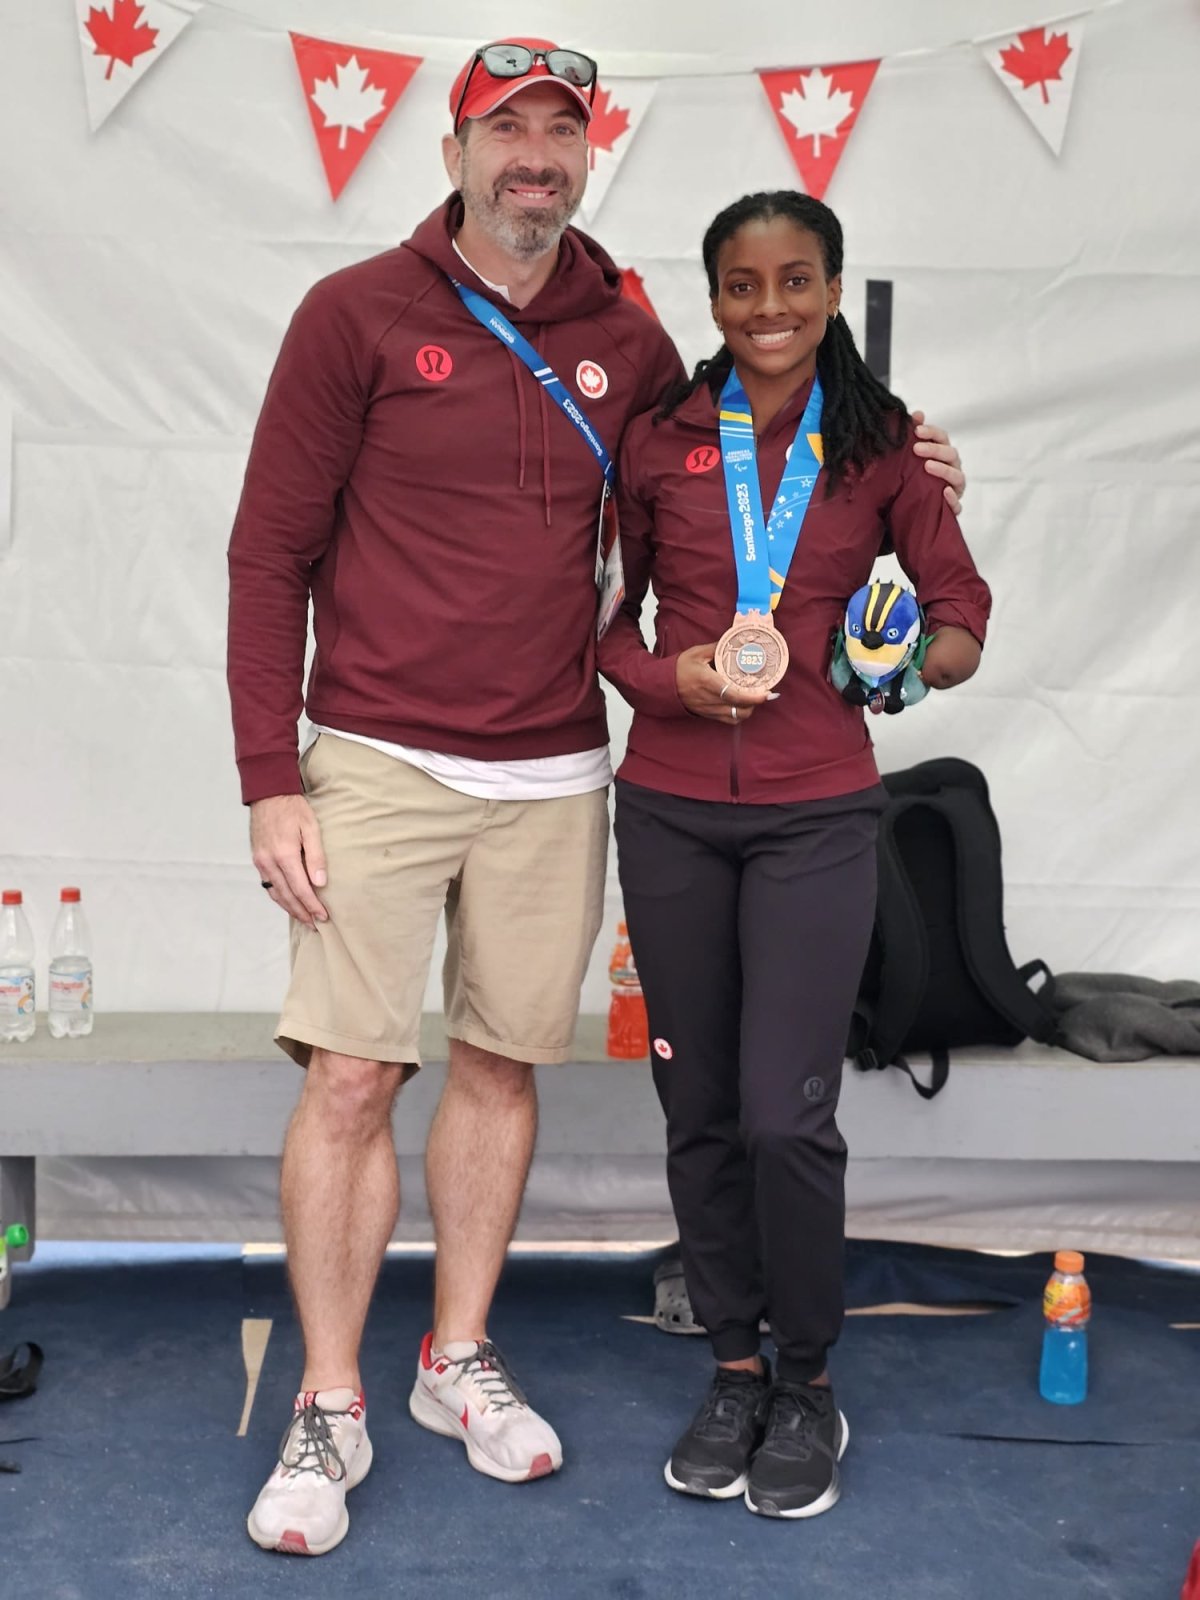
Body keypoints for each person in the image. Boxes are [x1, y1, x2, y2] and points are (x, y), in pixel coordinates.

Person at [226, 33, 967, 1555]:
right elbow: (266, 552)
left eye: (560, 133)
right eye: (508, 131)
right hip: (376, 754)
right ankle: (326, 1401)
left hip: (559, 765)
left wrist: (896, 451)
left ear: (584, 158)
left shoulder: (626, 336)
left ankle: (455, 1358)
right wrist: (264, 778)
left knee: (503, 1069)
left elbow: (727, 473)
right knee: (353, 1076)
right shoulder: (353, 312)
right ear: (453, 152)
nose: (535, 158)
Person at [598, 189, 991, 1522]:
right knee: (699, 1110)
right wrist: (673, 679)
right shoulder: (659, 438)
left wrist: (906, 669)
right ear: (712, 298)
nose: (769, 308)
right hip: (668, 810)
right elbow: (608, 625)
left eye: (796, 281)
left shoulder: (880, 444)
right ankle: (732, 1368)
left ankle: (810, 1382)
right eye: (742, 285)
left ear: (832, 290)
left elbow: (960, 612)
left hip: (819, 815)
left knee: (786, 1114)